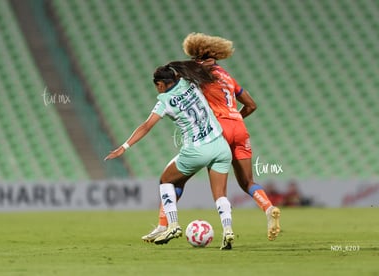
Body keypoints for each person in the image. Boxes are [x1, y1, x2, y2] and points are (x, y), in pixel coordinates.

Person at [142, 33, 281, 242]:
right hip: (240, 128)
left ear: (197, 55)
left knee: (177, 181)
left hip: (218, 132)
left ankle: (165, 224)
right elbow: (251, 105)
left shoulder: (200, 74)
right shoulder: (227, 76)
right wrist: (235, 119)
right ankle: (268, 208)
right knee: (247, 182)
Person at [105, 60, 235, 250]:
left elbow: (146, 126)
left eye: (157, 87)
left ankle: (172, 225)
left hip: (197, 150)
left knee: (166, 181)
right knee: (220, 195)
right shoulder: (189, 82)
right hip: (221, 146)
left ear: (160, 84)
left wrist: (124, 147)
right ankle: (228, 230)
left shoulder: (164, 101)